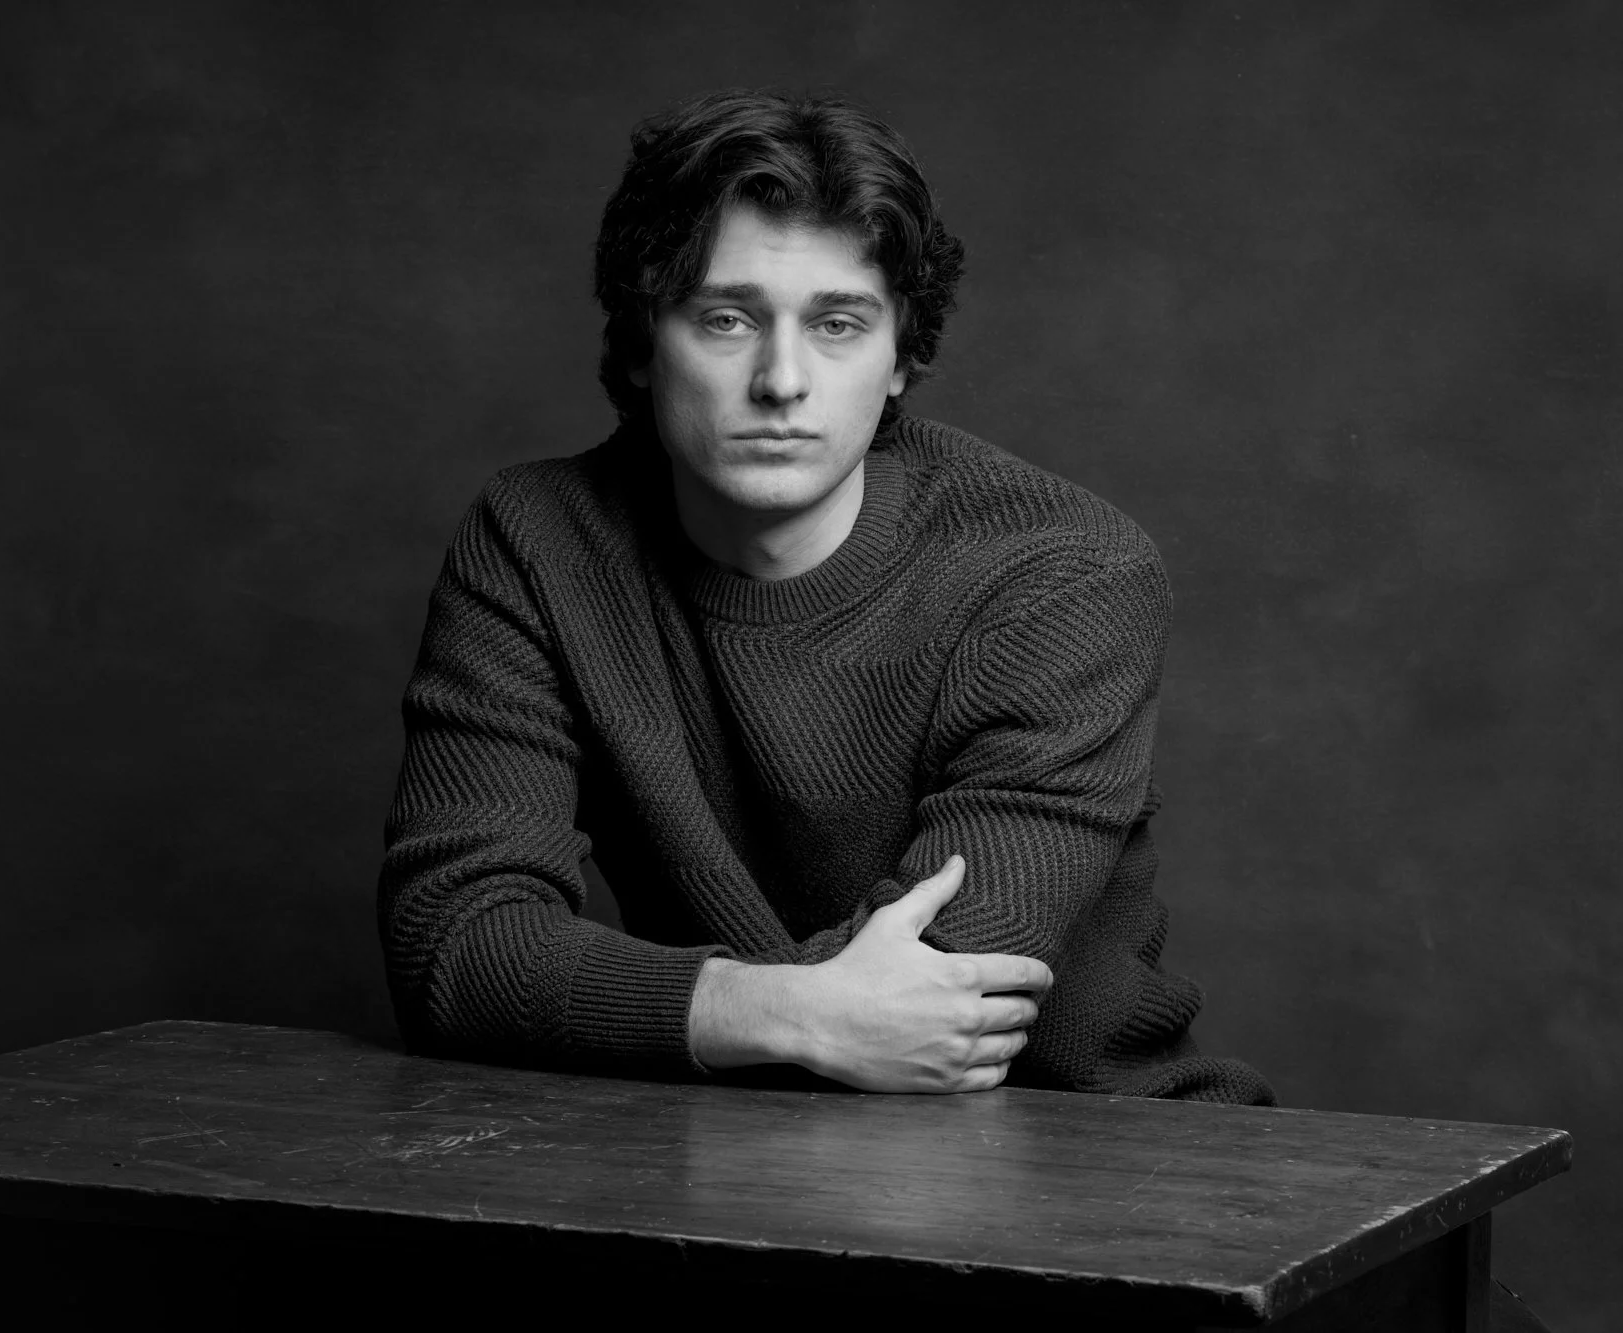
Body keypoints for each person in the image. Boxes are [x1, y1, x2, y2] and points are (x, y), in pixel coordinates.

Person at [377, 88, 1272, 1104]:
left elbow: (940, 996)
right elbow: (454, 945)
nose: (781, 379)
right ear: (637, 344)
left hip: (1109, 1161)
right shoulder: (536, 542)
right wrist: (791, 1015)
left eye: (838, 323)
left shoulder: (1062, 573)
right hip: (738, 1168)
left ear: (901, 358)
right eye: (725, 318)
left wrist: (674, 1007)